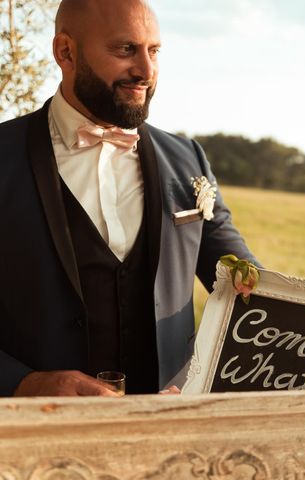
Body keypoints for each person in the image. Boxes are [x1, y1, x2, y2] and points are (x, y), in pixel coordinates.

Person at [0, 0, 257, 397]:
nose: (146, 71)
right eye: (125, 50)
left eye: (153, 51)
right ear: (65, 51)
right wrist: (24, 383)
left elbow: (248, 285)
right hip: (32, 432)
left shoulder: (187, 159)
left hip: (166, 426)